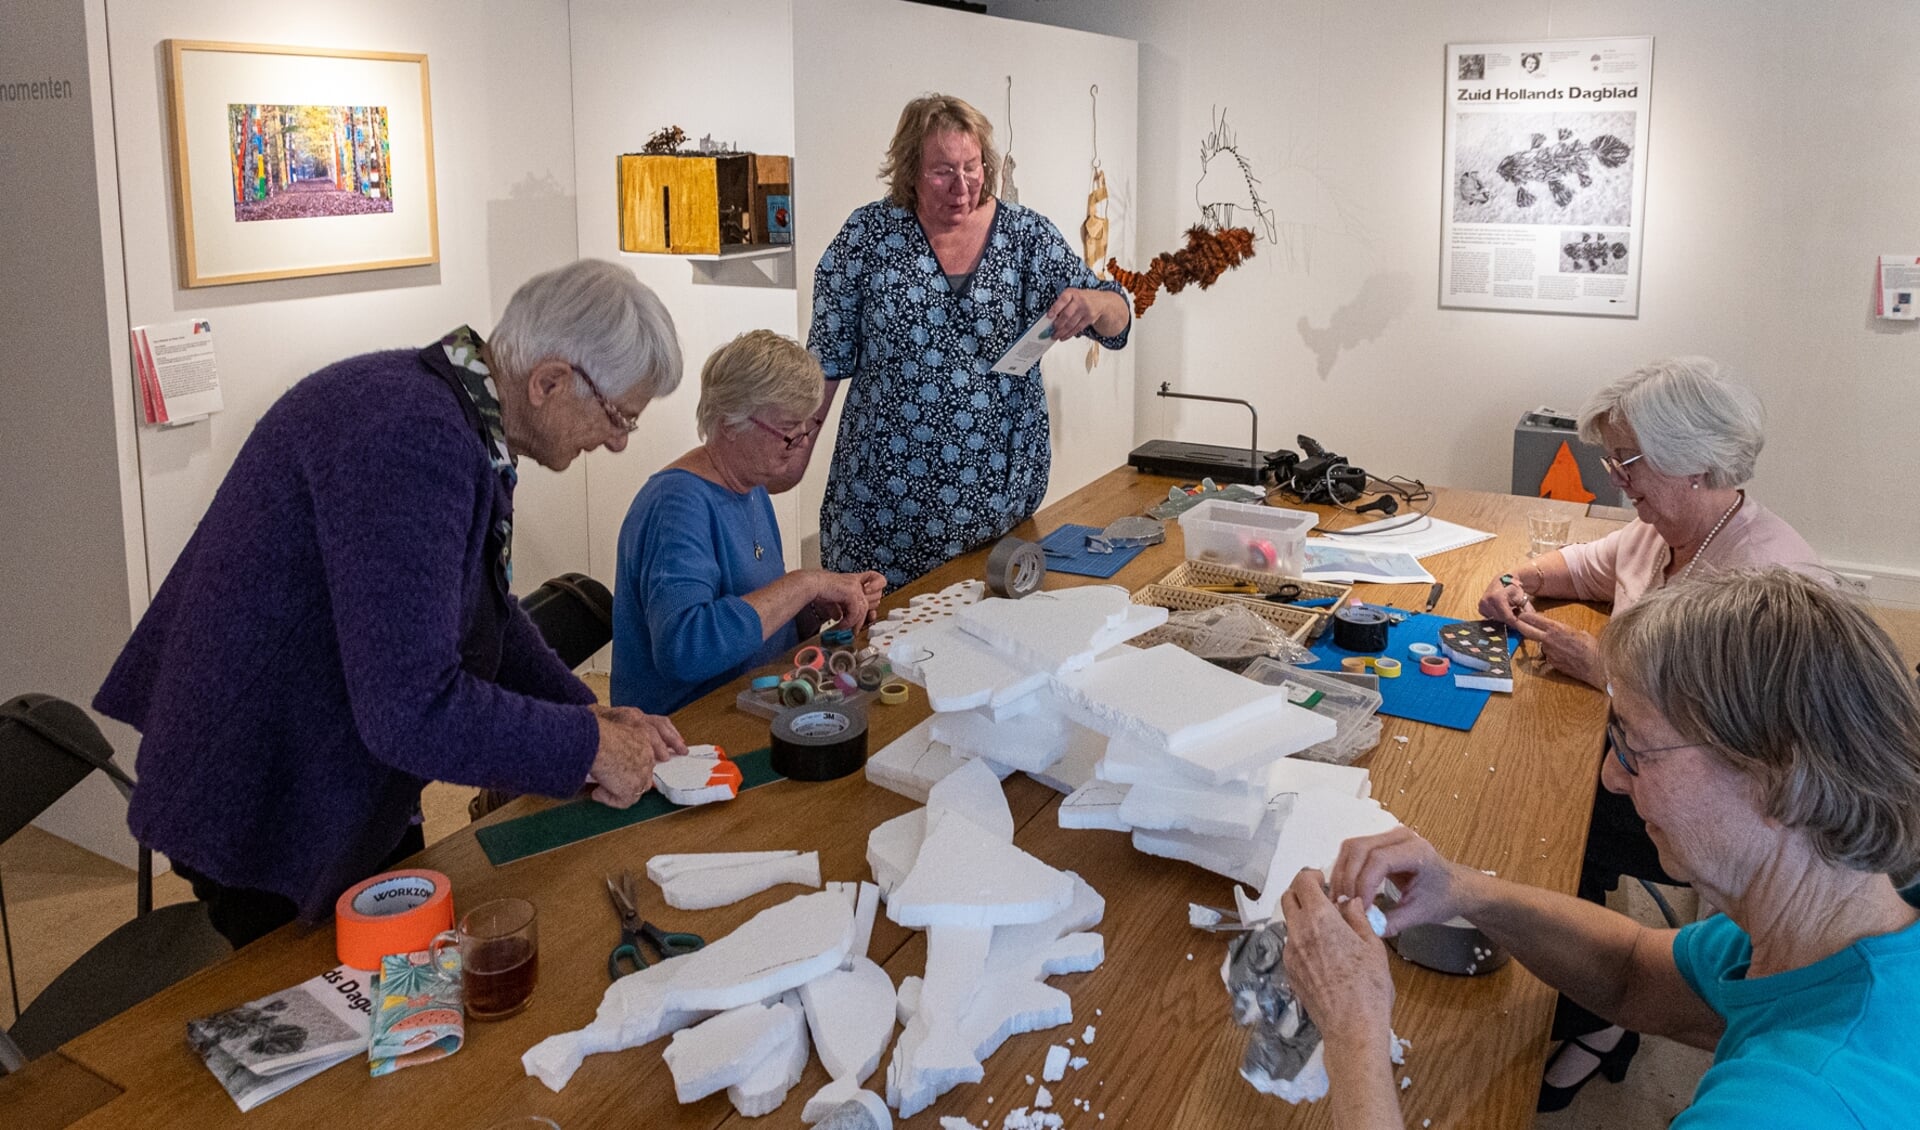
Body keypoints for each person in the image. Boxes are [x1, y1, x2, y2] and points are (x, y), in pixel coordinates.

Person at [94, 260, 688, 948]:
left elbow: (483, 607)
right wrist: (586, 746)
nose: (616, 441)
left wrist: (586, 710)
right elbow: (413, 710)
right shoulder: (413, 437)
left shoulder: (449, 413)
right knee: (330, 999)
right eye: (619, 417)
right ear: (551, 381)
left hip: (322, 756)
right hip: (266, 786)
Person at [1283, 568, 1920, 1129]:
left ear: (1777, 781)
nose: (1614, 775)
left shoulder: (1795, 1104)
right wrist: (1462, 888)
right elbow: (1636, 976)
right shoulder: (1832, 921)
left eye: (1636, 747)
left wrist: (1354, 1032)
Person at [1476, 357, 1822, 1102]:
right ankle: (1589, 989)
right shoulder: (1658, 531)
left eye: (1627, 460)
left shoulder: (1766, 581)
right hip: (1650, 762)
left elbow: (1750, 753)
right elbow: (1577, 566)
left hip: (1737, 815)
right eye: (1612, 458)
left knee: (1545, 829)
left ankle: (1597, 1017)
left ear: (1696, 462)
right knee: (1535, 786)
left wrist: (1601, 669)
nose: (1615, 478)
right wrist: (1519, 584)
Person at [808, 93, 1134, 589]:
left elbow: (1119, 319)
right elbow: (824, 362)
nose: (962, 187)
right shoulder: (867, 238)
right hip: (880, 521)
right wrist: (791, 449)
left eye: (972, 167)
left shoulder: (1026, 239)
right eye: (942, 172)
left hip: (996, 523)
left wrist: (1095, 305)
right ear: (909, 170)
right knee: (878, 660)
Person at [612, 330, 886, 714]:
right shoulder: (675, 505)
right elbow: (686, 650)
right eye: (789, 434)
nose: (801, 444)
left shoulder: (749, 485)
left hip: (750, 701)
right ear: (729, 423)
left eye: (805, 430)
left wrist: (816, 605)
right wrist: (804, 584)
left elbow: (755, 624)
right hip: (689, 728)